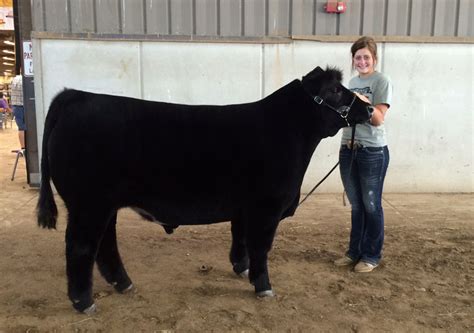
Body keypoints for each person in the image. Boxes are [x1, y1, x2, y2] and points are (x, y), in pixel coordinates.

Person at [334, 36, 393, 273]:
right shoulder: (351, 81)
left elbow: (378, 119)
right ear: (353, 60)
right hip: (348, 148)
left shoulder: (382, 81)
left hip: (372, 151)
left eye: (366, 57)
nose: (362, 61)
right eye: (358, 57)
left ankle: (371, 255)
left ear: (374, 59)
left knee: (371, 205)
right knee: (357, 206)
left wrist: (359, 100)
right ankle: (354, 252)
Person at [10, 74, 25, 149]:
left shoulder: (14, 79)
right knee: (30, 127)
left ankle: (23, 147)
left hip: (15, 106)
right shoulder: (26, 79)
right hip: (26, 105)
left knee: (21, 128)